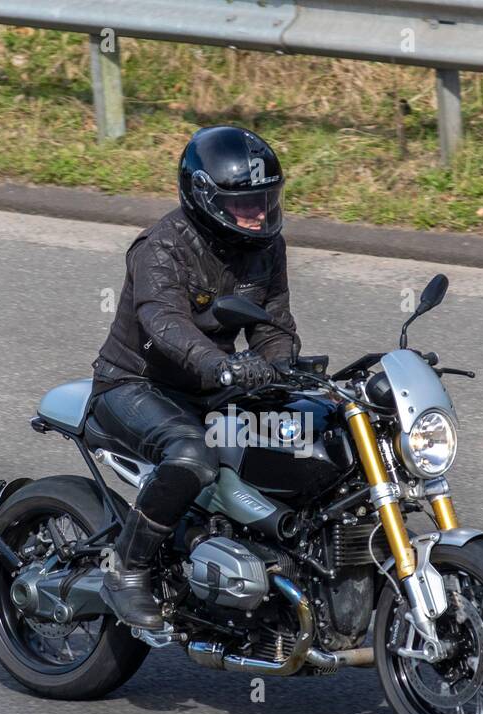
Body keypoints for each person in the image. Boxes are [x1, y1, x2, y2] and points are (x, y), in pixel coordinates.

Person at [90, 125, 300, 630]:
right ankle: (128, 571)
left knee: (305, 439)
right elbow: (164, 326)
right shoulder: (161, 247)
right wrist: (222, 365)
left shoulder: (267, 248)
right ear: (205, 198)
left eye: (264, 200)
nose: (257, 213)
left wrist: (284, 367)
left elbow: (274, 327)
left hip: (213, 391)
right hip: (134, 386)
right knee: (193, 455)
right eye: (243, 203)